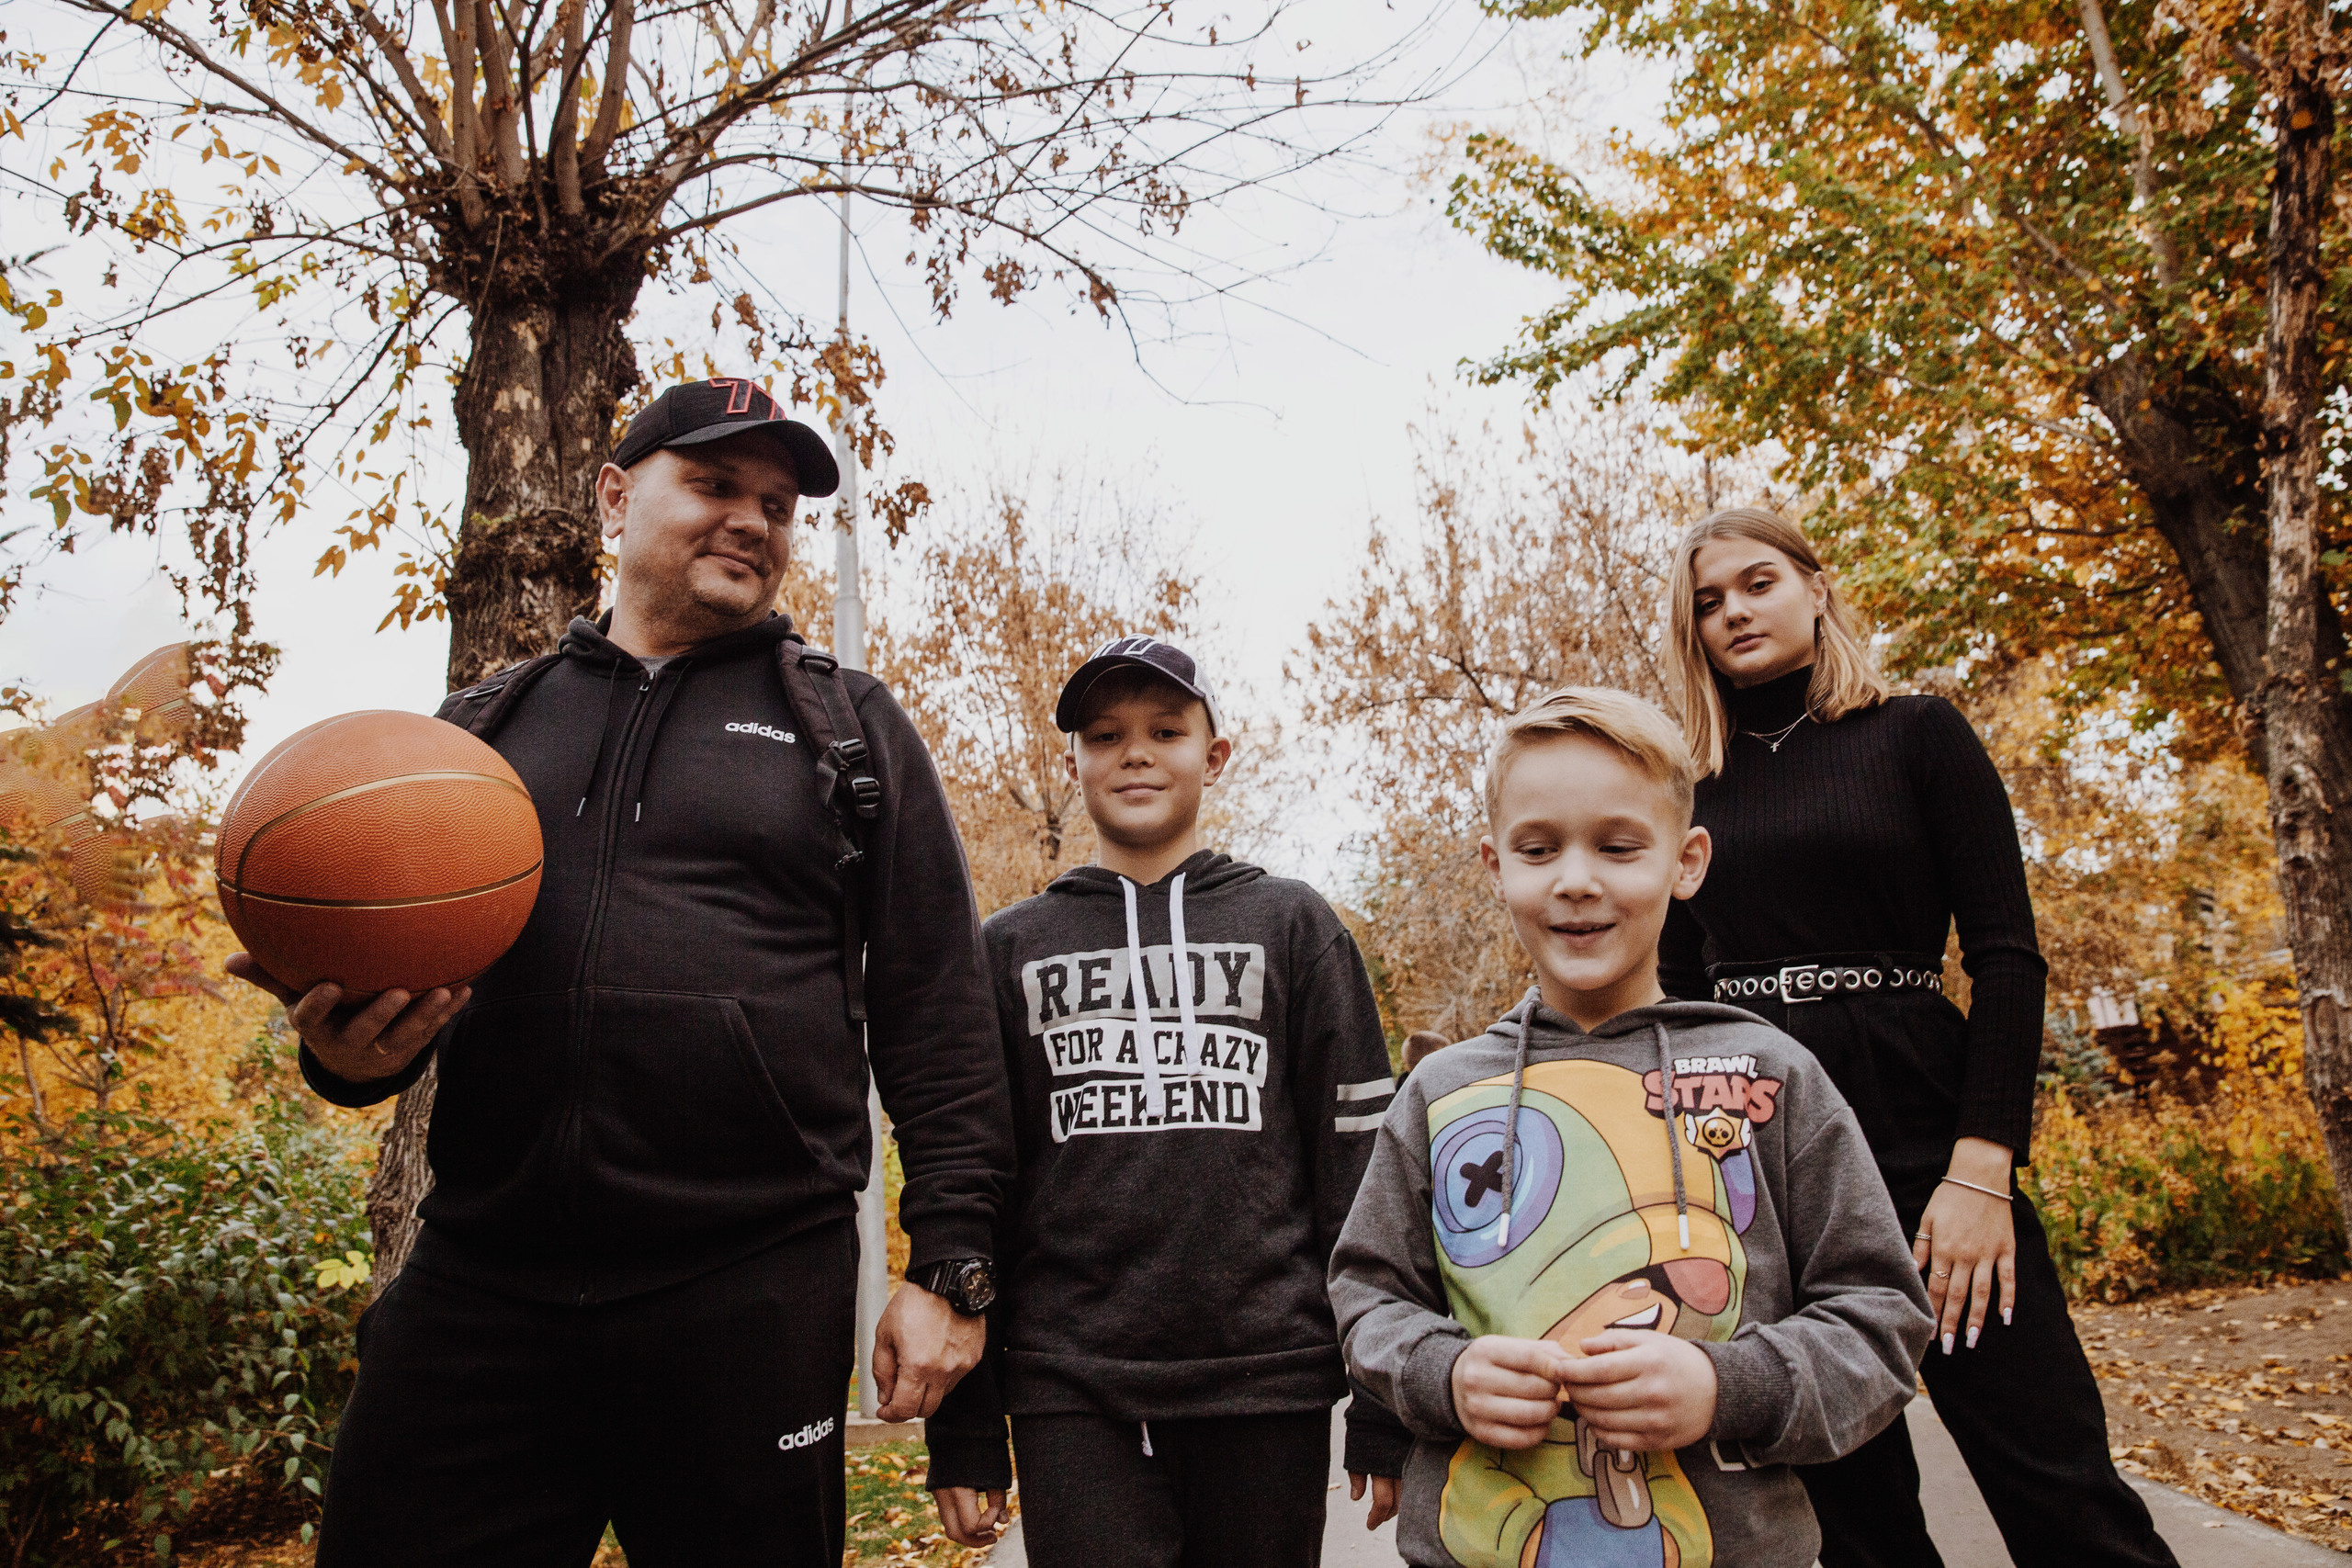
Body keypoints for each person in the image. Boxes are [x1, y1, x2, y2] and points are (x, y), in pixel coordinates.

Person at [225, 378, 1014, 1567]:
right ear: (611, 497)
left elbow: (940, 1015)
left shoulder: (846, 727)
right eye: (713, 484)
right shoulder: (478, 737)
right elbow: (389, 1014)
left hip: (746, 1286)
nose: (754, 518)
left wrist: (950, 1262)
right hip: (485, 1277)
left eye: (779, 502)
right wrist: (342, 1057)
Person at [1656, 506, 2181, 1567]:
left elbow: (2004, 953)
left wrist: (1983, 1164)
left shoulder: (1916, 732)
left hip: (1926, 1140)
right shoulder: (1681, 784)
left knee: (2059, 1490)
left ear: (1816, 586)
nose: (1733, 613)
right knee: (1857, 1529)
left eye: (1756, 583)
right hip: (1760, 1160)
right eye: (1706, 602)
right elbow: (1670, 991)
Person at [1329, 685, 1933, 1568]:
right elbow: (1369, 1294)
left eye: (1618, 846)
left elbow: (1882, 1318)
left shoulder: (1771, 1073)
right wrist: (1443, 1374)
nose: (1578, 879)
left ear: (1686, 862)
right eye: (1540, 849)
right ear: (1497, 867)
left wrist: (1728, 1385)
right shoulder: (1440, 1092)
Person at [922, 636, 1411, 1567]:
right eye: (1104, 736)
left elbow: (1360, 1176)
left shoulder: (1295, 928)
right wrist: (968, 1431)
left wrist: (1381, 1402)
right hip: (1071, 1382)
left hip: (1266, 1377)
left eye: (1165, 730)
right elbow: (972, 1188)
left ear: (1213, 755)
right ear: (1070, 764)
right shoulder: (1009, 950)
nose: (1134, 753)